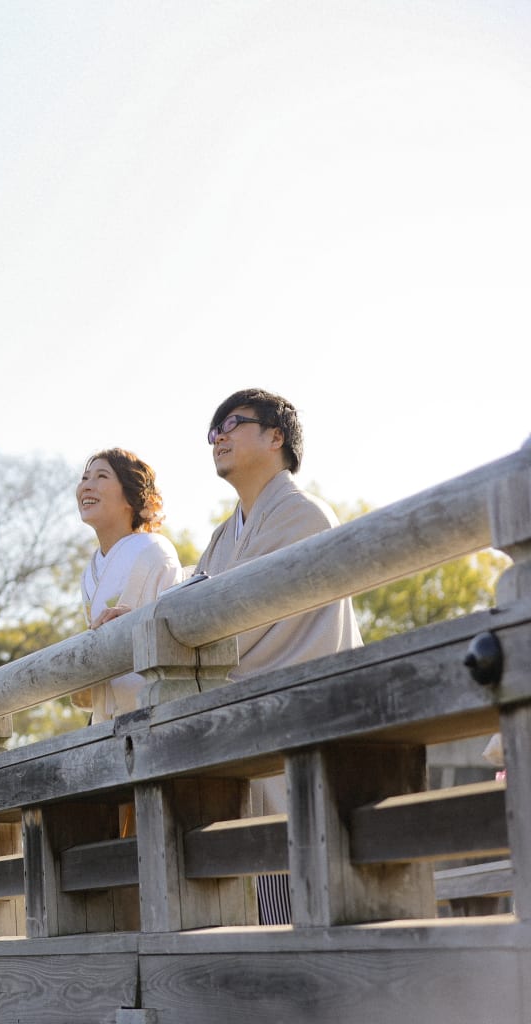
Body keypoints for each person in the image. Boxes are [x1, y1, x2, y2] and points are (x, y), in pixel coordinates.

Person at [196, 387, 363, 923]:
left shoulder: (302, 513)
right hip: (249, 727)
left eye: (232, 423)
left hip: (300, 719)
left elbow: (222, 629)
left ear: (276, 438)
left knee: (303, 901)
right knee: (261, 900)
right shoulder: (223, 537)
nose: (218, 436)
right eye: (213, 430)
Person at [73, 448, 183, 722]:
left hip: (154, 708)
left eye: (101, 476)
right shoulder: (90, 570)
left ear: (130, 496)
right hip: (105, 719)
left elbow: (176, 625)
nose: (87, 485)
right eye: (85, 478)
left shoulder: (153, 550)